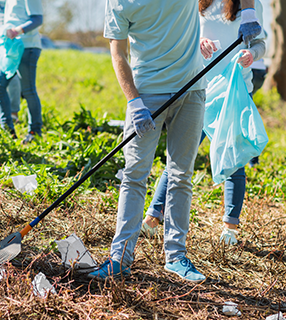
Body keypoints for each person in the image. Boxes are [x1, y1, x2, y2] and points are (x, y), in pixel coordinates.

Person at [87, 0, 262, 283]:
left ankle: (176, 256)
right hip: (146, 94)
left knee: (181, 175)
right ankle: (119, 258)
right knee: (134, 175)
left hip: (191, 90)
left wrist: (250, 10)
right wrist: (133, 101)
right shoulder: (118, 3)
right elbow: (117, 53)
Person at [141, 0, 266, 246]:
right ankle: (153, 218)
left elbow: (260, 44)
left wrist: (252, 54)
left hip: (234, 90)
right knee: (180, 155)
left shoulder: (249, 5)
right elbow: (180, 39)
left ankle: (230, 229)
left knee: (234, 158)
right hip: (198, 88)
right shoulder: (194, 4)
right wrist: (196, 43)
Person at [0, 0, 43, 144]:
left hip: (28, 47)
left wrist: (16, 31)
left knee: (28, 90)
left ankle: (35, 132)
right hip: (12, 48)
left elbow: (38, 19)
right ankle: (7, 130)